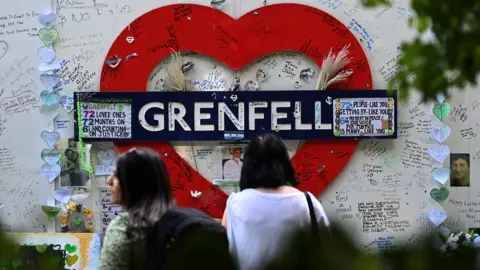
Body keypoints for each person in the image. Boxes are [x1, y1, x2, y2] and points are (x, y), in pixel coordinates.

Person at [222, 133, 330, 270]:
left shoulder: (234, 204)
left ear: (248, 165)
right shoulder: (307, 202)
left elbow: (221, 252)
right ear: (284, 163)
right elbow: (329, 247)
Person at [100, 148, 174, 270]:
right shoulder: (176, 222)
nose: (109, 181)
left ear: (134, 182)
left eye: (116, 175)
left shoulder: (125, 226)